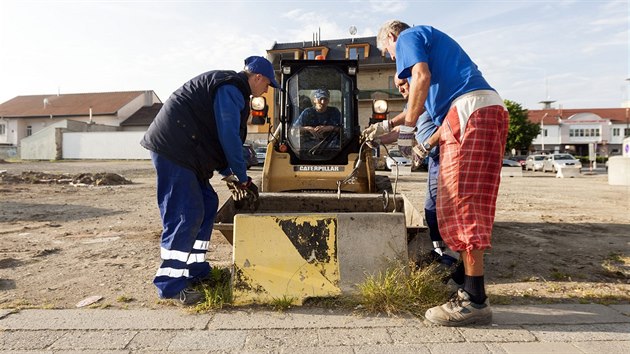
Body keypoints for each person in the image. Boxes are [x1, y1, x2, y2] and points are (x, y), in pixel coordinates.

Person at [372, 20, 509, 326]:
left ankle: (474, 301)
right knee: (470, 203)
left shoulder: (407, 36)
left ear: (392, 37)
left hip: (467, 114)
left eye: (388, 53)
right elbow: (418, 104)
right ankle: (467, 281)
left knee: (461, 206)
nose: (394, 61)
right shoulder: (433, 43)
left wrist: (406, 134)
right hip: (485, 110)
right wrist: (388, 126)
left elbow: (420, 78)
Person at [140, 56, 279, 305]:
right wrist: (243, 178)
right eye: (268, 84)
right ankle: (170, 284)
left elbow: (214, 137)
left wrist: (228, 174)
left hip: (189, 150)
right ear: (257, 77)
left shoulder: (231, 89)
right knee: (187, 213)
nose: (267, 90)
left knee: (207, 202)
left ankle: (195, 269)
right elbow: (228, 136)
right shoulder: (231, 88)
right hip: (175, 149)